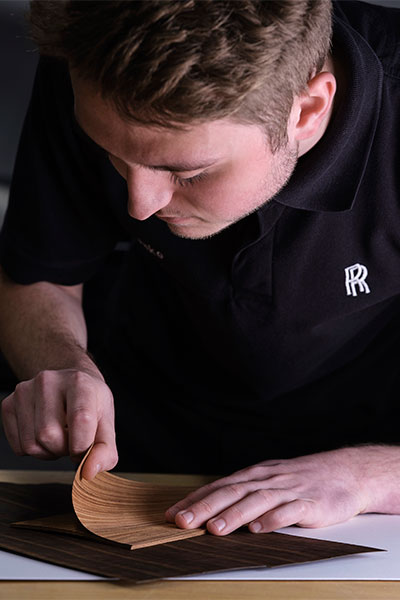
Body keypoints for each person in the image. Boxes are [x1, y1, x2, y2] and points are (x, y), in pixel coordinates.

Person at [1, 0, 400, 538]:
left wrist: (372, 477)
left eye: (186, 173)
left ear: (307, 111)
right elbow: (38, 271)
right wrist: (61, 364)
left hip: (365, 486)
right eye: (110, 154)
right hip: (143, 453)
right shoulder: (89, 58)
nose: (139, 206)